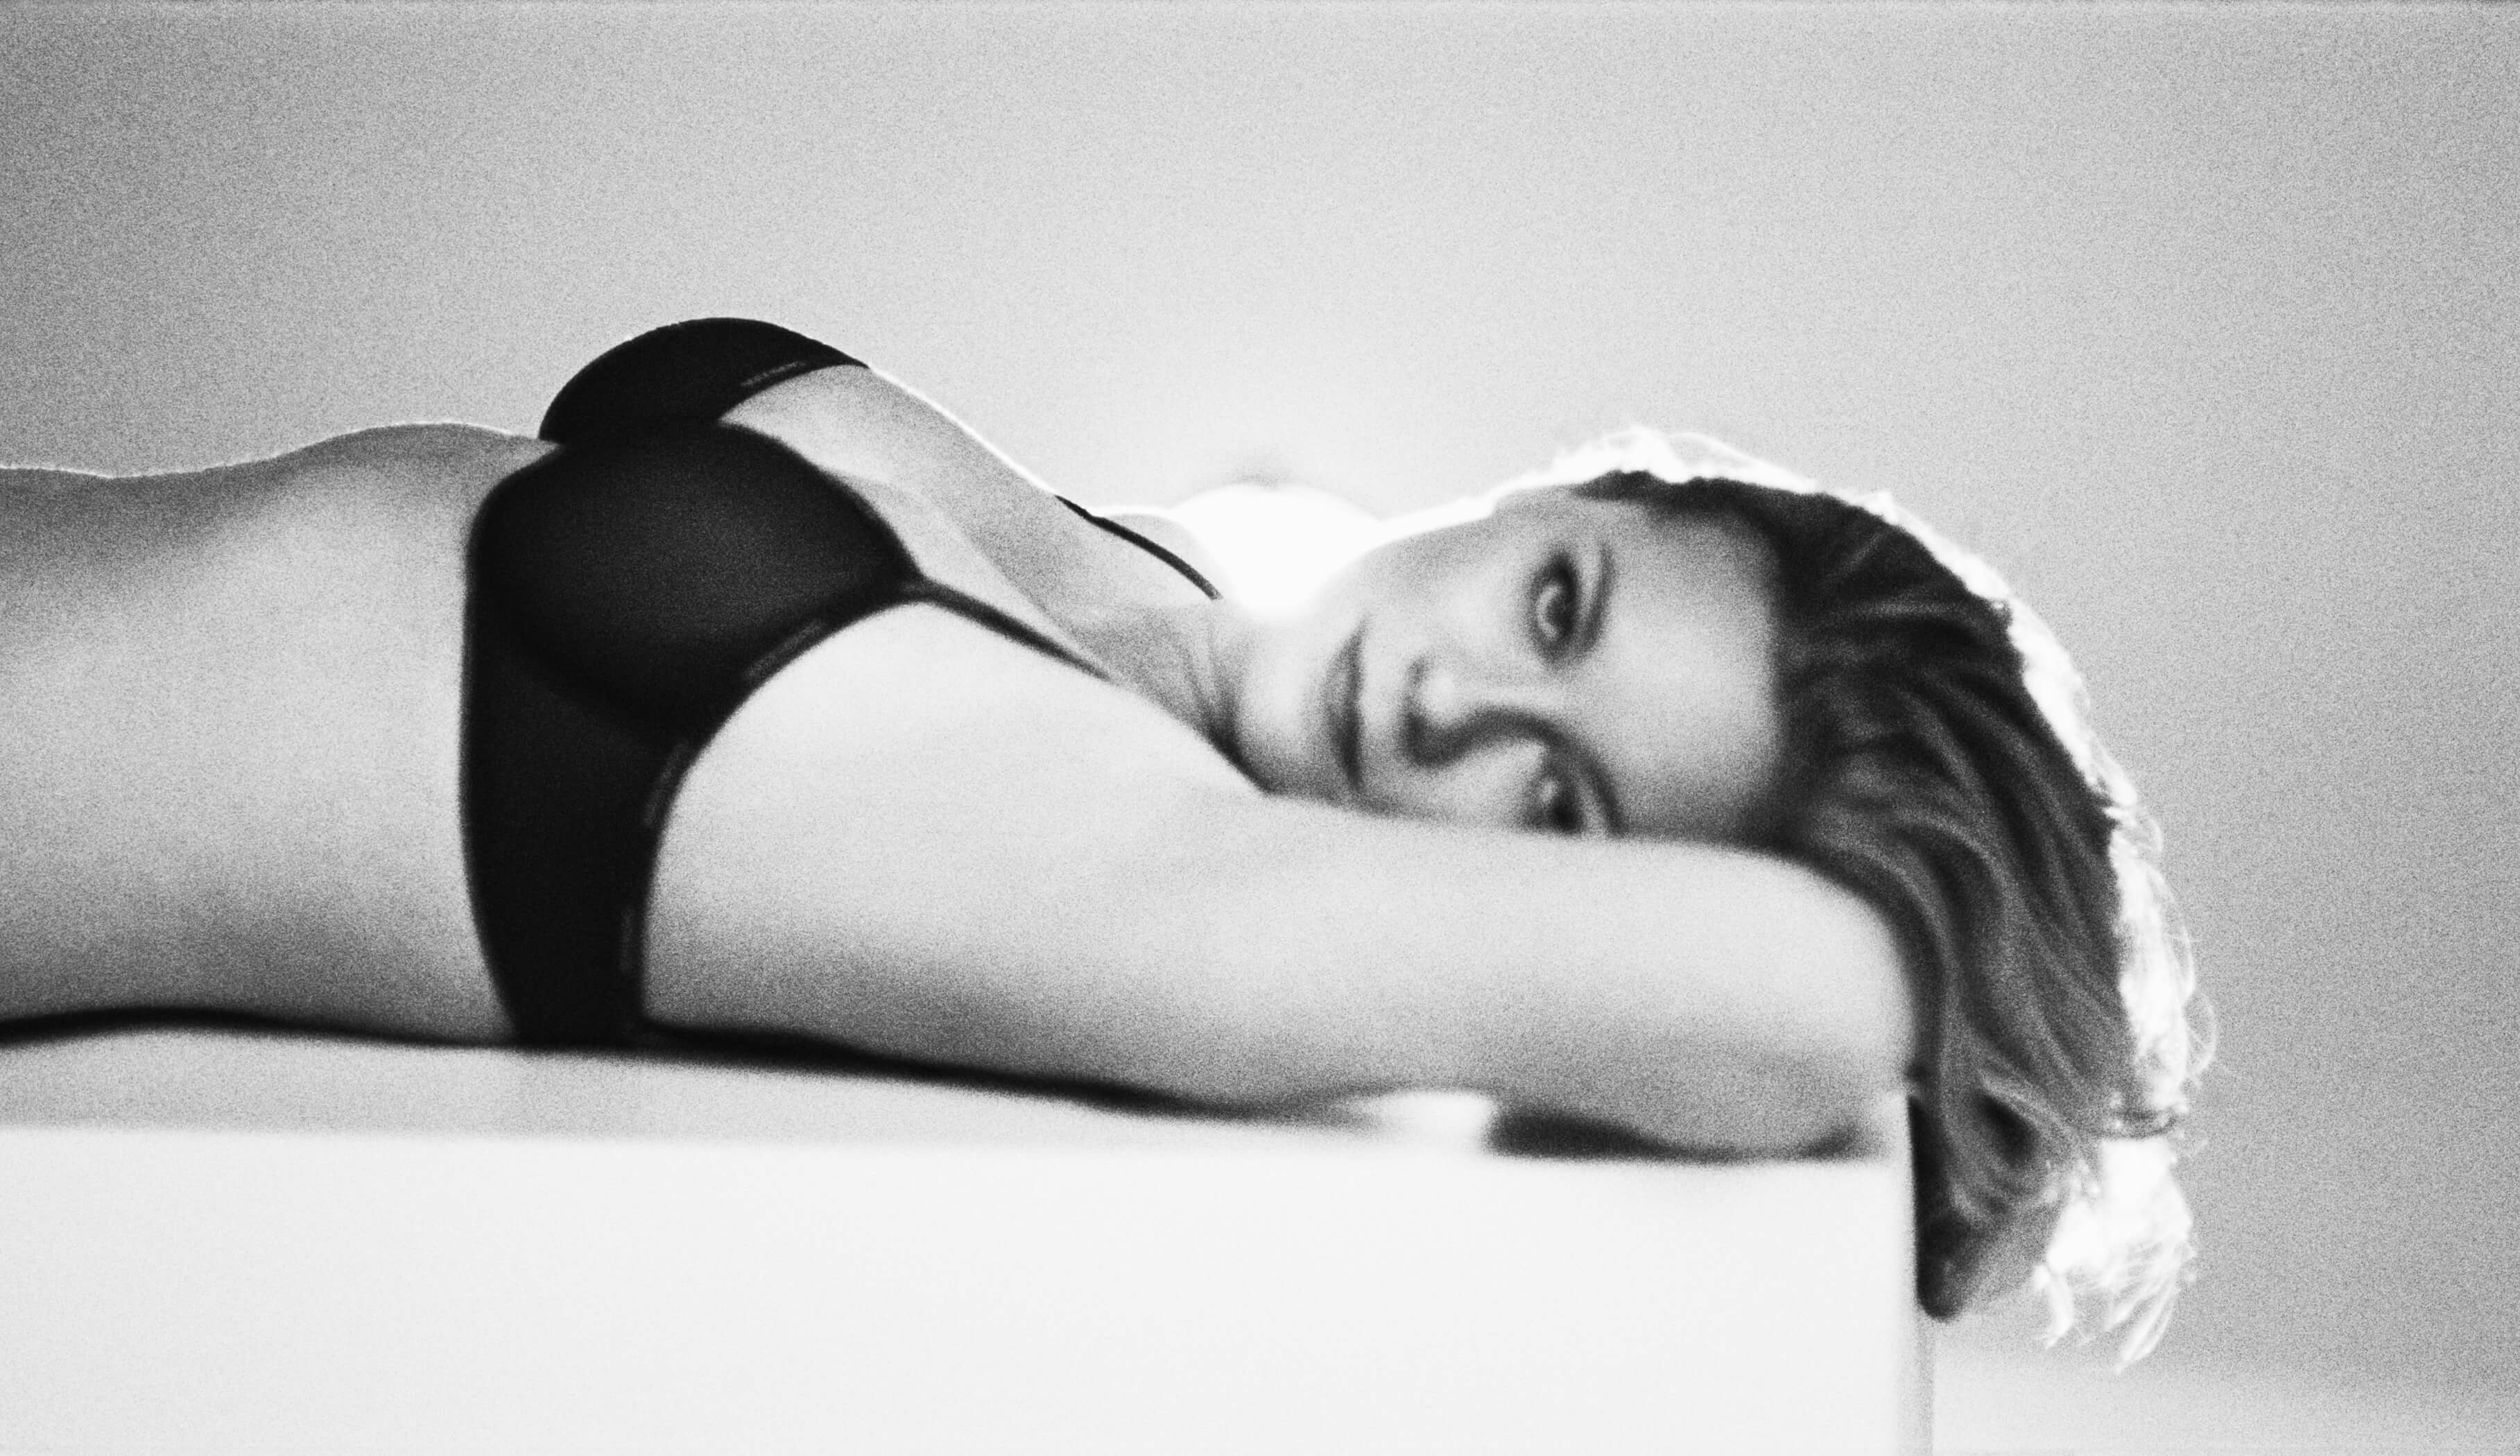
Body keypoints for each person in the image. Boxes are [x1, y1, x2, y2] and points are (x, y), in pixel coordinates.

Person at [0, 318, 2206, 1360]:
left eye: (1556, 801)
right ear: (1571, 494)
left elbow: (1824, 1001)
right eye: (1559, 606)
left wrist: (1957, 939)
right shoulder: (1159, 586)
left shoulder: (1133, 872)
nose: (1452, 701)